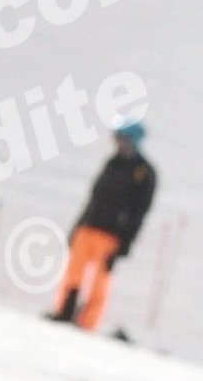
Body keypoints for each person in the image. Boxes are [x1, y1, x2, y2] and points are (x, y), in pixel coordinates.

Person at [50, 121, 157, 330]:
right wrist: (78, 226)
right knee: (74, 272)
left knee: (100, 280)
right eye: (118, 138)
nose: (120, 143)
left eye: (124, 139)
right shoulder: (112, 163)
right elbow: (94, 198)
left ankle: (87, 322)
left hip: (112, 236)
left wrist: (126, 242)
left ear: (134, 141)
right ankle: (64, 312)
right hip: (89, 226)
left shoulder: (144, 172)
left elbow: (139, 211)